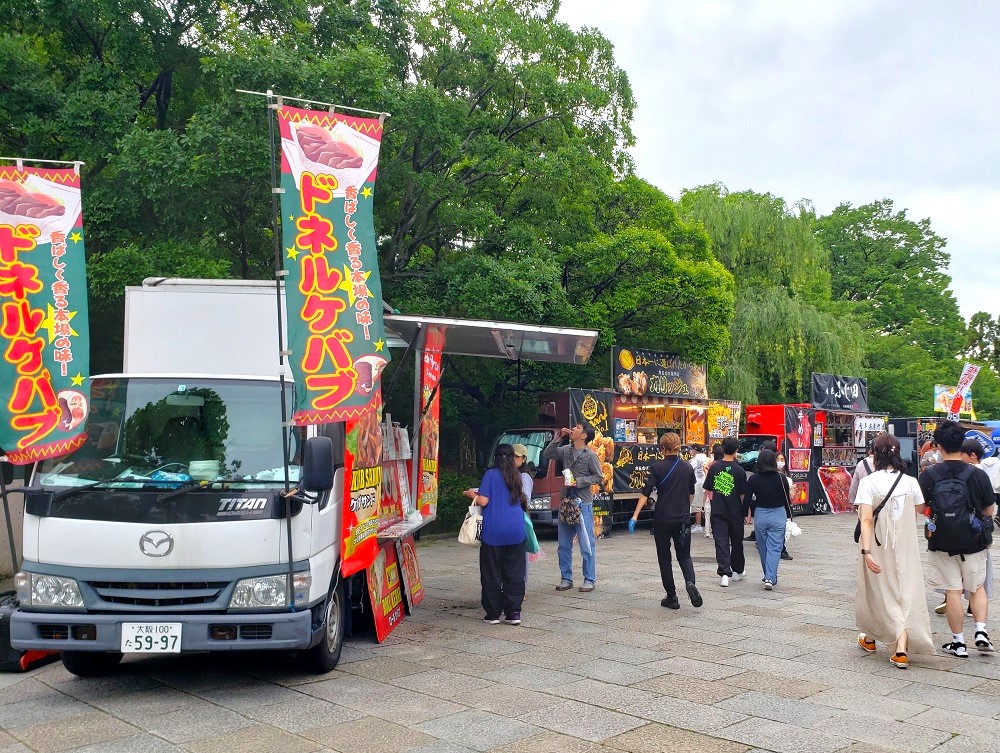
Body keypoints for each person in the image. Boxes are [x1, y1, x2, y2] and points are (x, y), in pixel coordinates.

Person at [854, 434, 934, 669]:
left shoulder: (869, 483)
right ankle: (899, 646)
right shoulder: (910, 481)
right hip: (906, 546)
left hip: (877, 545)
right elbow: (920, 508)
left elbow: (866, 519)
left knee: (875, 590)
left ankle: (877, 639)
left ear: (875, 454)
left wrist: (866, 551)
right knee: (905, 590)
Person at [919, 421, 996, 657]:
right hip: (974, 541)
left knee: (953, 590)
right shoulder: (977, 474)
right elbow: (990, 510)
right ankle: (981, 630)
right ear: (961, 444)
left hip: (941, 541)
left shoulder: (929, 474)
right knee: (977, 587)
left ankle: (958, 642)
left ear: (938, 446)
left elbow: (922, 508)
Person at [628, 432, 703, 610]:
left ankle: (672, 597)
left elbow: (645, 492)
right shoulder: (687, 468)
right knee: (684, 555)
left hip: (662, 518)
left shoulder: (656, 467)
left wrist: (635, 515)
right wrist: (686, 508)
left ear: (662, 448)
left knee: (664, 558)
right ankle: (690, 582)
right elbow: (691, 493)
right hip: (683, 519)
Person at [463, 444, 528, 625]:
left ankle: (492, 614)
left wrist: (470, 493)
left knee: (492, 573)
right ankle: (513, 612)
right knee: (514, 572)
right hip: (516, 530)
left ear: (496, 457)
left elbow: (484, 500)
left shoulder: (490, 474)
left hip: (494, 531)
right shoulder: (517, 475)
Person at [542, 423, 603, 593]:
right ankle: (566, 578)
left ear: (584, 436)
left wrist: (580, 482)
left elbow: (599, 477)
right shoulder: (566, 450)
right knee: (563, 543)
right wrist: (559, 438)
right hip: (566, 500)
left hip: (583, 502)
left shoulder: (590, 455)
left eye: (577, 428)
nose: (573, 429)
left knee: (586, 543)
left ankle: (589, 578)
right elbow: (547, 453)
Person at [703, 436, 747, 587]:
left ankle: (724, 574)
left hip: (718, 510)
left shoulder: (714, 467)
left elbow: (708, 487)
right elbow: (742, 493)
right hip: (735, 511)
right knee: (736, 542)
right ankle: (738, 571)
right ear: (736, 450)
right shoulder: (740, 470)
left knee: (721, 542)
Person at [744, 448, 789, 590]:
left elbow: (747, 499)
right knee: (775, 547)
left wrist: (744, 513)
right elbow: (787, 499)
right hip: (778, 513)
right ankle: (770, 577)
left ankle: (768, 575)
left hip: (761, 514)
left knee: (762, 547)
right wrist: (789, 516)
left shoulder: (753, 479)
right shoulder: (781, 478)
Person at [690, 444, 710, 535]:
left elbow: (689, 467)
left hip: (697, 483)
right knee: (698, 503)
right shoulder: (705, 457)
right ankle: (696, 524)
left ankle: (698, 525)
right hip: (702, 482)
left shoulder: (696, 458)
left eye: (691, 449)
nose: (690, 451)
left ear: (695, 450)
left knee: (696, 504)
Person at [849, 442, 877, 506]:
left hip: (865, 501)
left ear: (870, 450)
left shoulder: (861, 464)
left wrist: (853, 502)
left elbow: (854, 484)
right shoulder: (887, 464)